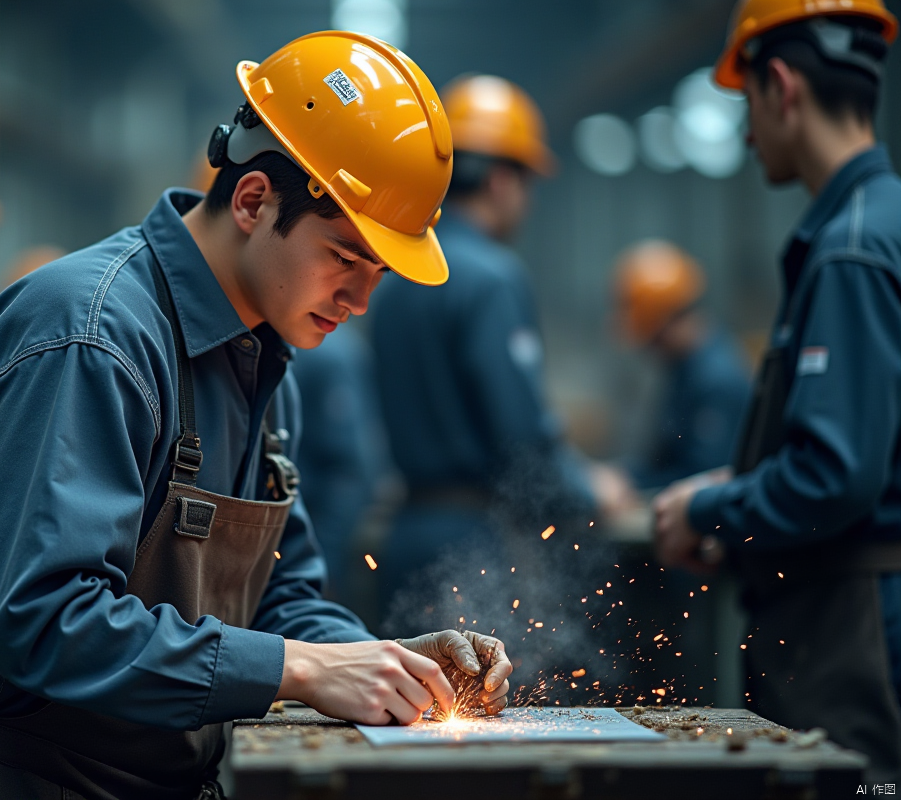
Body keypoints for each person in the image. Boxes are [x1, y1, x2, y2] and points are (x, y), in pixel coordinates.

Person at [0, 32, 513, 800]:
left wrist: (385, 664)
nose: (360, 299)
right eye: (345, 257)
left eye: (377, 271)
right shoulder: (90, 336)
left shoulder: (266, 355)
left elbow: (282, 596)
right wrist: (306, 670)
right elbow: (48, 622)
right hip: (18, 780)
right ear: (253, 200)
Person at [653, 0, 901, 782]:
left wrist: (705, 509)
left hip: (855, 622)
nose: (748, 131)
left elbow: (836, 476)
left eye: (747, 103)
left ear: (783, 86)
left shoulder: (850, 251)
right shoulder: (883, 224)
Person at [370, 75, 634, 620]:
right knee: (475, 699)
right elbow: (522, 443)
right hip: (470, 548)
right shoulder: (493, 278)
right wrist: (590, 490)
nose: (528, 202)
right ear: (499, 180)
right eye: (527, 184)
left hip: (406, 534)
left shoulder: (393, 277)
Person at [612, 240, 750, 490]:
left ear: (668, 323)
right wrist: (624, 476)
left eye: (652, 339)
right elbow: (663, 459)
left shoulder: (717, 381)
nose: (650, 350)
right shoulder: (684, 371)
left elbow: (705, 478)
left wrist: (631, 485)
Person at [290, 323, 387, 601]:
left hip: (306, 546)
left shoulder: (328, 354)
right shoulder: (326, 352)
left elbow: (347, 471)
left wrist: (321, 564)